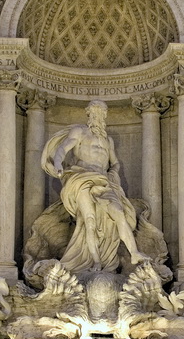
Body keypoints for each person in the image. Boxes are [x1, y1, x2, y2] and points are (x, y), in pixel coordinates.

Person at [41, 100, 150, 273]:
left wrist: (113, 173)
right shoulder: (80, 132)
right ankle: (96, 262)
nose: (98, 115)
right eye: (95, 112)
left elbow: (114, 163)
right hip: (81, 178)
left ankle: (134, 252)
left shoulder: (108, 140)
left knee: (119, 212)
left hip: (104, 181)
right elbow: (63, 148)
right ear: (89, 114)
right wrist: (58, 163)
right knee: (89, 221)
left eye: (102, 112)